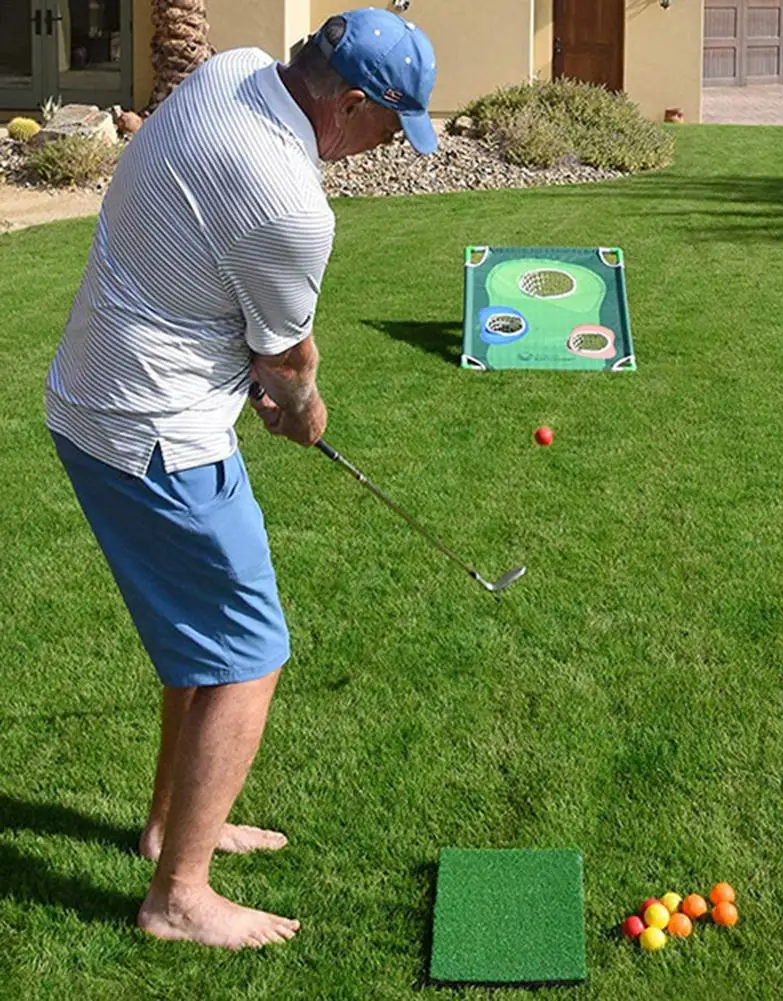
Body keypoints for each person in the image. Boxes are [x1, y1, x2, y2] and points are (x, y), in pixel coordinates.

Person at [43, 8, 437, 951]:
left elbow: (223, 284)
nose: (385, 149)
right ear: (351, 103)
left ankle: (170, 827)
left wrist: (258, 378)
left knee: (201, 645)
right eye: (390, 130)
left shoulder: (234, 72)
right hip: (153, 430)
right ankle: (179, 895)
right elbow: (289, 363)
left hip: (99, 394)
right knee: (247, 651)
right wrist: (304, 414)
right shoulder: (292, 204)